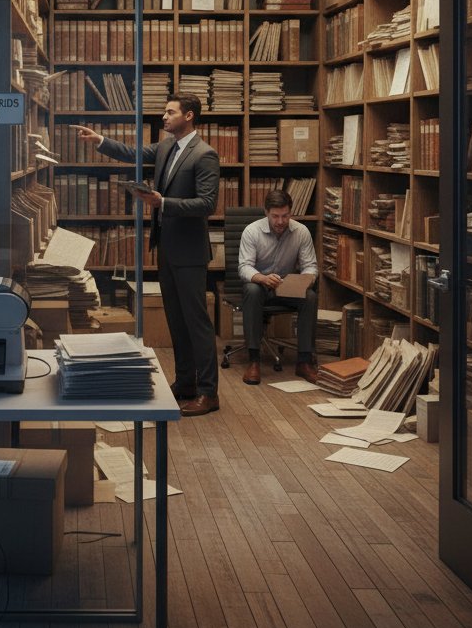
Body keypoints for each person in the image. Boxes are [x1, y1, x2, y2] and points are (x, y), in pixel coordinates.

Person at [75, 94, 221, 416]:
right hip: (167, 248)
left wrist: (163, 203)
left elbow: (207, 204)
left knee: (197, 323)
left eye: (170, 112)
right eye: (164, 112)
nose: (164, 117)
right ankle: (185, 384)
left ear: (190, 116)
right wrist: (101, 140)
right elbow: (135, 152)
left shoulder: (205, 155)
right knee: (176, 321)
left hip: (191, 252)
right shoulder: (168, 146)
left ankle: (209, 393)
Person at [237, 189, 319, 385]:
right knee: (252, 290)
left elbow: (310, 265)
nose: (281, 221)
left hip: (286, 286)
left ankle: (304, 361)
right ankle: (254, 360)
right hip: (260, 285)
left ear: (291, 213)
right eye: (275, 216)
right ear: (266, 213)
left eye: (285, 216)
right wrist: (262, 278)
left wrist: (305, 279)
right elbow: (244, 267)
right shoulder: (252, 231)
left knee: (310, 297)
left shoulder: (301, 232)